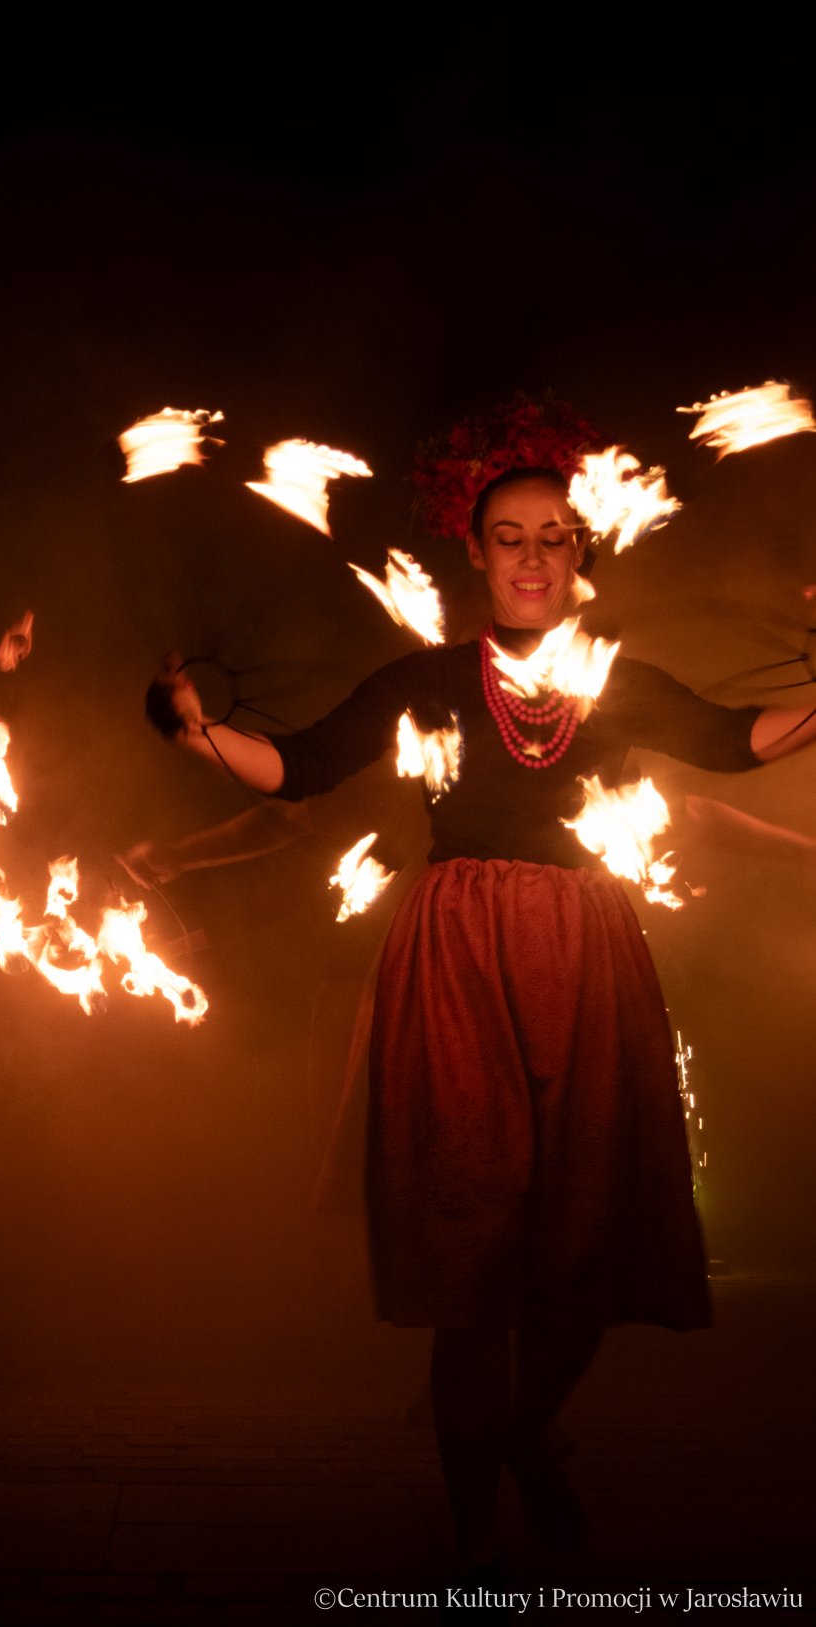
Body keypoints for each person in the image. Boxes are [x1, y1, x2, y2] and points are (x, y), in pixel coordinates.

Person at [143, 466, 816, 1578]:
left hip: (586, 955)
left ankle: (520, 1428)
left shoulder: (619, 680)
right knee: (472, 1257)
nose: (533, 558)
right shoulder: (423, 681)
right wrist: (195, 732)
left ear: (579, 551)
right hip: (457, 955)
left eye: (553, 537)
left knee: (584, 1247)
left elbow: (736, 735)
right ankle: (471, 1546)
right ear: (475, 554)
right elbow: (301, 765)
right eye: (509, 538)